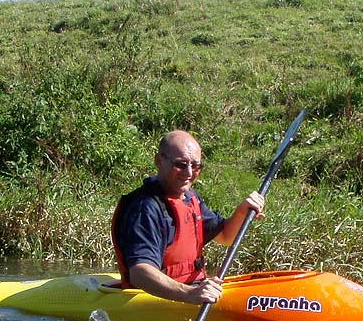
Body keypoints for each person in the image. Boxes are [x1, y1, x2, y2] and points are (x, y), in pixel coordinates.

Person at [112, 130, 265, 305]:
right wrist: (189, 294)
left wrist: (242, 213)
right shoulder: (145, 208)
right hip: (153, 300)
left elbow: (226, 237)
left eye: (196, 166)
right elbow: (140, 273)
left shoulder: (189, 199)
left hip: (190, 288)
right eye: (181, 164)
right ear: (159, 161)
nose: (189, 172)